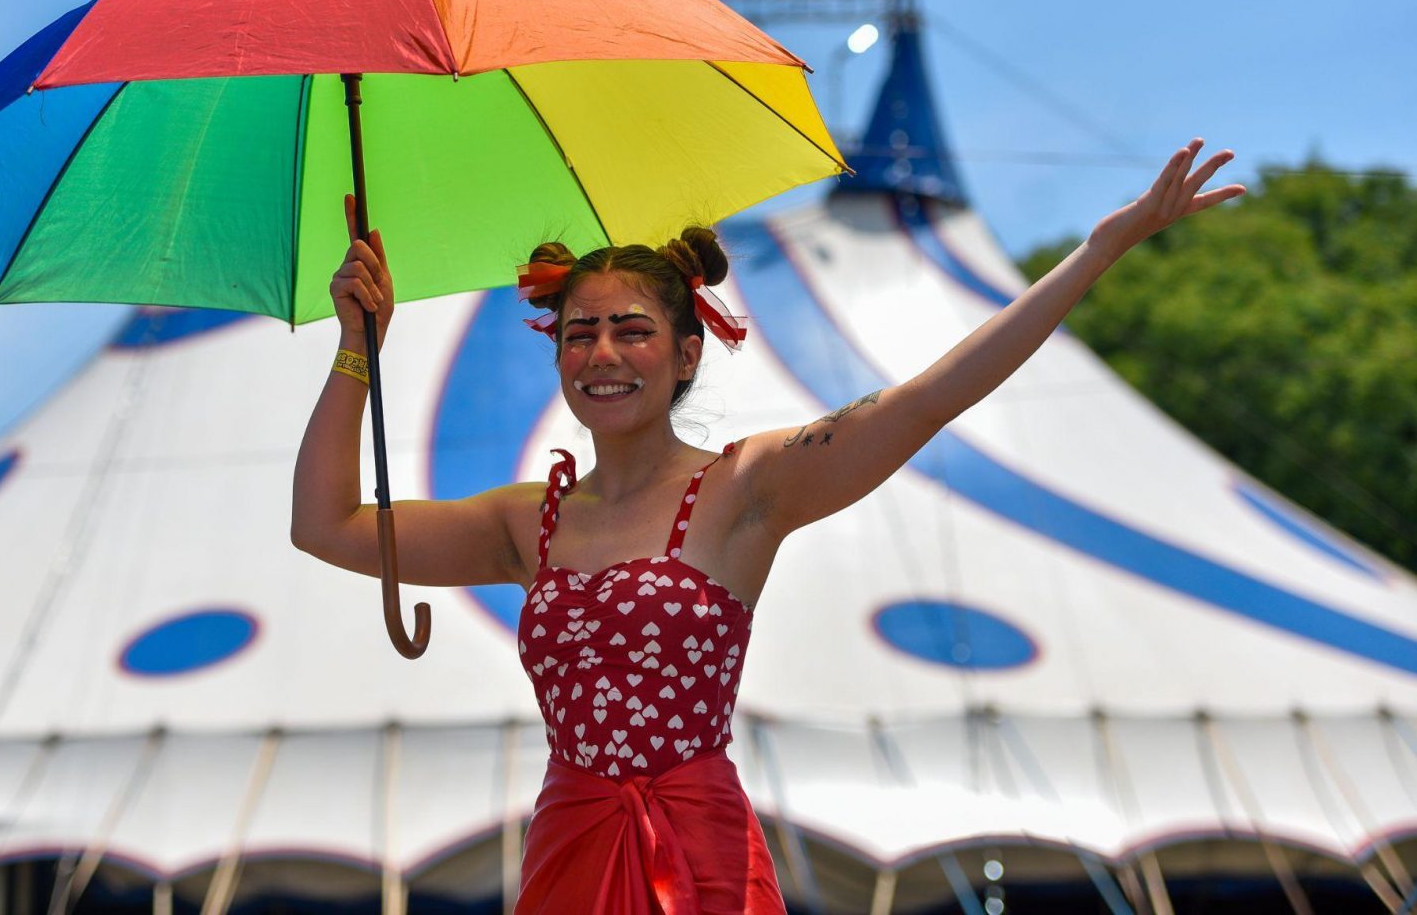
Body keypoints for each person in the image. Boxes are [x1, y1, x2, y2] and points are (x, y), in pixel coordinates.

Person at [291, 139, 1244, 912]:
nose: (602, 353)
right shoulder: (523, 521)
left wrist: (1099, 250)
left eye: (630, 329)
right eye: (578, 333)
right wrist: (353, 348)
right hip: (569, 848)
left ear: (684, 351)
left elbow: (928, 398)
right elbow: (325, 525)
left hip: (700, 852)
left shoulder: (748, 487)